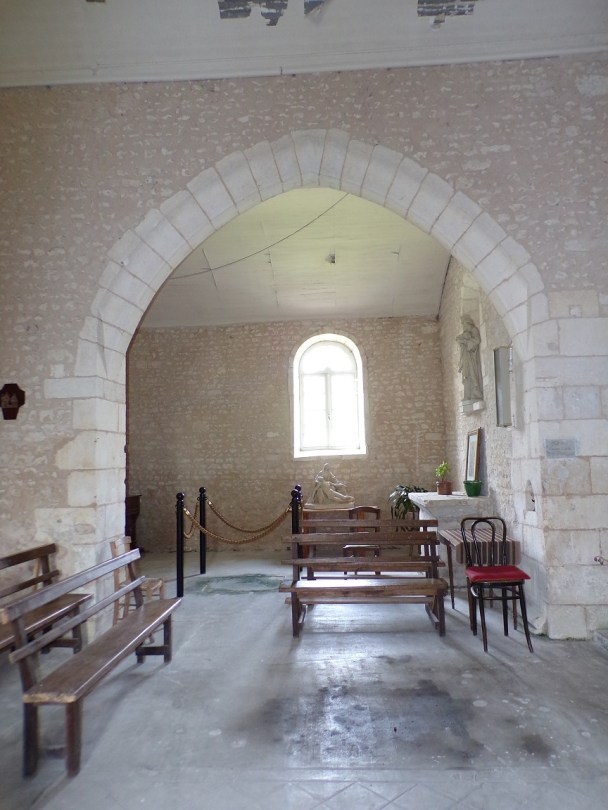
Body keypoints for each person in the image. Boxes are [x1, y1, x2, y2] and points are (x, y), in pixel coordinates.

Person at [456, 315, 483, 401]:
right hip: (466, 357)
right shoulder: (465, 332)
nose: (463, 326)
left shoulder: (474, 330)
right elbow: (458, 339)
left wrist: (466, 342)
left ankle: (475, 393)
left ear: (468, 323)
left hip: (472, 357)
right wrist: (463, 341)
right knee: (466, 375)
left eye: (464, 324)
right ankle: (467, 395)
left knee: (472, 374)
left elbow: (477, 341)